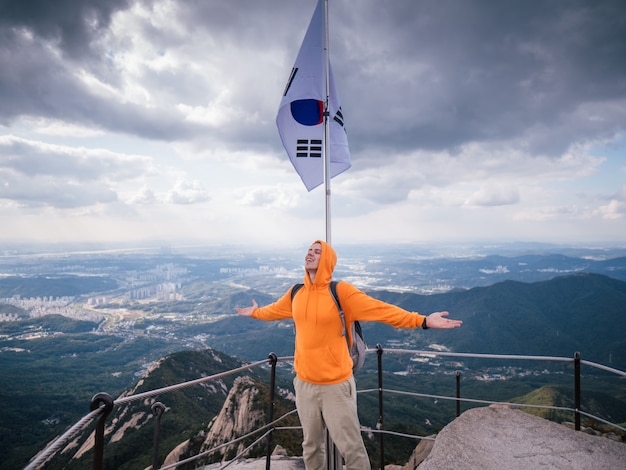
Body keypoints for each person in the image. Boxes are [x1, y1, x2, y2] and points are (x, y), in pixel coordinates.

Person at [236, 240, 462, 469]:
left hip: (336, 386)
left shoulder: (340, 292)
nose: (310, 254)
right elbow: (274, 310)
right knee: (311, 447)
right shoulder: (296, 293)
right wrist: (255, 312)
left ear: (327, 261)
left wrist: (422, 320)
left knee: (351, 449)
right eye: (309, 251)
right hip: (304, 385)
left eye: (317, 252)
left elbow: (382, 310)